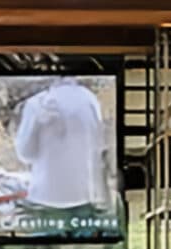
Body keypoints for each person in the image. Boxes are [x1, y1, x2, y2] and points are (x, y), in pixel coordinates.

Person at [13, 79, 107, 218]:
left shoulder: (37, 104)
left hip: (44, 200)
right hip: (85, 197)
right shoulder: (90, 100)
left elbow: (25, 154)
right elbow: (100, 146)